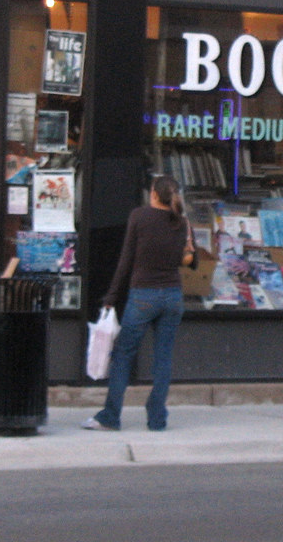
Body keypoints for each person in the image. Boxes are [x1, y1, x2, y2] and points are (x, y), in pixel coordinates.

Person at [82, 175, 195, 432]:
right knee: (163, 358)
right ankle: (157, 418)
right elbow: (190, 260)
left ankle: (111, 416)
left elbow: (126, 260)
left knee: (123, 354)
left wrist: (111, 296)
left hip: (143, 294)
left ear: (153, 193)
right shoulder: (182, 222)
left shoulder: (139, 217)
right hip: (172, 295)